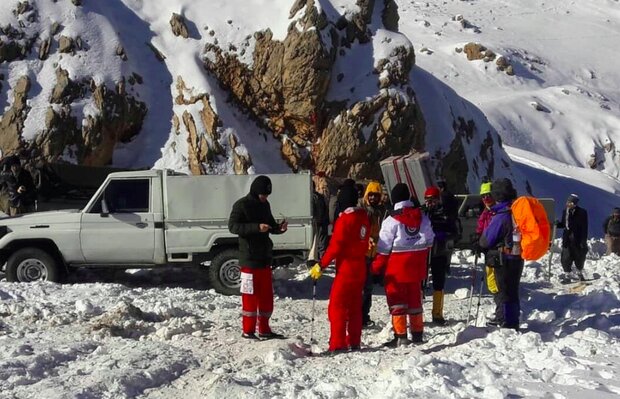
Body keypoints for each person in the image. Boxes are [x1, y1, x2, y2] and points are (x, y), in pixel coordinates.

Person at [372, 183, 434, 346]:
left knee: (398, 301)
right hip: (417, 268)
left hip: (396, 270)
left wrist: (375, 269)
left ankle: (401, 337)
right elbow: (430, 240)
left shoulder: (391, 221)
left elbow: (383, 249)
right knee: (415, 302)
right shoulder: (422, 217)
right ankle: (418, 334)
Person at [309, 184, 370, 352]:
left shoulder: (344, 220)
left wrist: (320, 265)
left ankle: (338, 343)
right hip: (360, 268)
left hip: (346, 270)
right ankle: (354, 341)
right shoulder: (364, 217)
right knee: (355, 307)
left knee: (337, 308)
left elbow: (335, 247)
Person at [228, 175, 288, 340]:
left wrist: (279, 228)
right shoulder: (241, 205)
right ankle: (248, 330)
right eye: (263, 194)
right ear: (255, 191)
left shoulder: (265, 205)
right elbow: (232, 227)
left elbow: (269, 226)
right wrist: (256, 228)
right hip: (249, 260)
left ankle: (264, 329)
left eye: (267, 195)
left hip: (264, 258)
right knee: (250, 296)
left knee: (266, 296)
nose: (265, 197)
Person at [478, 178, 523, 331]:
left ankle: (506, 322)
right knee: (513, 290)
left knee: (504, 291)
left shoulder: (501, 215)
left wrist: (479, 242)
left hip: (505, 258)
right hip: (518, 256)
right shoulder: (517, 210)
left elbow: (486, 240)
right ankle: (513, 320)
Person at [422, 186, 459, 325]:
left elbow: (456, 232)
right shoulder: (423, 213)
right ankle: (417, 312)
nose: (430, 203)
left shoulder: (446, 213)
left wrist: (443, 235)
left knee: (439, 282)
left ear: (438, 200)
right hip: (424, 251)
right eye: (427, 200)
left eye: (433, 200)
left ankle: (437, 313)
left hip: (440, 251)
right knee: (420, 282)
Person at [475, 181, 503, 326]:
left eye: (488, 195)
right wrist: (477, 238)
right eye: (483, 196)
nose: (486, 199)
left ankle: (501, 314)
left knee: (497, 283)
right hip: (489, 252)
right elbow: (481, 227)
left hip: (497, 252)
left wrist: (483, 242)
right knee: (492, 283)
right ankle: (500, 313)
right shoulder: (486, 212)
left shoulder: (498, 212)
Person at [361, 181, 387, 328]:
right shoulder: (362, 209)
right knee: (361, 287)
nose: (372, 198)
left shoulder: (382, 211)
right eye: (370, 195)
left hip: (375, 252)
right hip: (363, 252)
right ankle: (358, 315)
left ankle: (364, 315)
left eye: (375, 195)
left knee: (368, 287)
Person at [555, 194, 588, 282]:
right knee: (566, 257)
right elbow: (563, 224)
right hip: (567, 238)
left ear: (574, 203)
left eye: (570, 202)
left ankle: (579, 273)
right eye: (567, 202)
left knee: (579, 257)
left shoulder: (582, 212)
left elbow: (584, 227)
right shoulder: (565, 211)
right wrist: (557, 224)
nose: (567, 203)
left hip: (578, 238)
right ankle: (567, 275)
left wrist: (583, 240)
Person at [309, 181, 330, 263]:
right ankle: (321, 259)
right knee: (320, 242)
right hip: (320, 222)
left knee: (315, 242)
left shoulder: (311, 197)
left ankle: (317, 259)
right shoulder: (319, 196)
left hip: (315, 222)